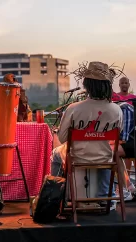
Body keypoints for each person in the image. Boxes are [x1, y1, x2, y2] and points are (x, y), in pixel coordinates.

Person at [51, 61, 123, 210]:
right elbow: (116, 135)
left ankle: (56, 197)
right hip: (104, 158)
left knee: (56, 154)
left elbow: (63, 138)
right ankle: (104, 197)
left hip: (77, 158)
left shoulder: (74, 108)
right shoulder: (117, 110)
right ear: (107, 86)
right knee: (108, 155)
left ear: (87, 85)